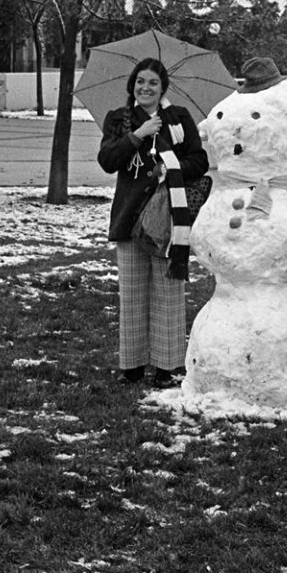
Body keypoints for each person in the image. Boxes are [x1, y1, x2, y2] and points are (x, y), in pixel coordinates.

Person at [97, 57, 209, 387]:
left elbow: (199, 160)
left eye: (153, 83)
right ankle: (131, 366)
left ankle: (166, 366)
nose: (145, 88)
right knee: (131, 294)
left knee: (167, 293)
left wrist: (169, 170)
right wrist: (137, 135)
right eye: (140, 81)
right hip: (130, 218)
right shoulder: (119, 119)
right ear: (132, 85)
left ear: (162, 88)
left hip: (167, 217)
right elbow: (107, 160)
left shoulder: (178, 119)